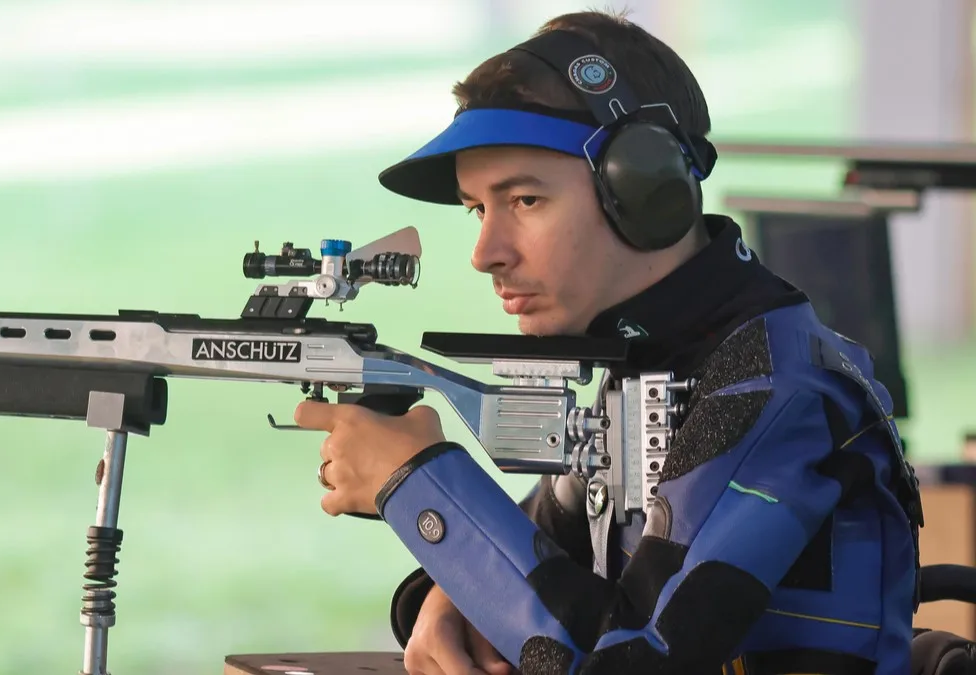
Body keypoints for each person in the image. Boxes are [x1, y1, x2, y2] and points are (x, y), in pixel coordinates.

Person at [292, 10, 924, 675]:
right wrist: (450, 593)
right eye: (479, 208)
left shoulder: (771, 388)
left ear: (644, 188)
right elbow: (542, 559)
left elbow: (628, 658)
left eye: (526, 200)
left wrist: (416, 483)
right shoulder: (654, 369)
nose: (485, 253)